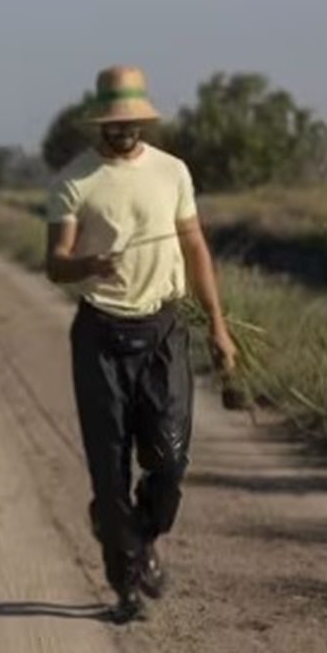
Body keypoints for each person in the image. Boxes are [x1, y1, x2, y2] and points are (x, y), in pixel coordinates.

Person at [44, 66, 237, 623]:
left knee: (171, 459)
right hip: (100, 336)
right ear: (100, 124)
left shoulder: (172, 172)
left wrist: (218, 327)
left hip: (163, 331)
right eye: (114, 122)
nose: (123, 130)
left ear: (142, 122)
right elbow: (55, 264)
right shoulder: (73, 182)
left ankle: (140, 532)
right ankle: (126, 584)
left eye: (132, 122)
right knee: (109, 472)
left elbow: (195, 246)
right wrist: (86, 263)